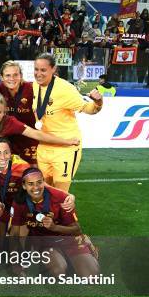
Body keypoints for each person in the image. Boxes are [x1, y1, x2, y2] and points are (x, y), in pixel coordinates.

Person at [32, 53, 103, 192]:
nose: (38, 74)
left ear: (53, 69)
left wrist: (98, 102)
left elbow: (87, 108)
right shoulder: (34, 86)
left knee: (60, 194)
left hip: (66, 147)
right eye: (36, 69)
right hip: (44, 146)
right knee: (44, 191)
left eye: (43, 70)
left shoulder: (65, 89)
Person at [10, 167, 99, 277]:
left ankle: (85, 246)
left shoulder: (60, 198)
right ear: (24, 186)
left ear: (44, 182)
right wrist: (14, 261)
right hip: (46, 242)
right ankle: (62, 259)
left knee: (90, 276)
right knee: (58, 271)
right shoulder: (19, 202)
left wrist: (54, 227)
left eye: (39, 182)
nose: (36, 187)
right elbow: (14, 233)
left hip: (69, 239)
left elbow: (77, 229)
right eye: (30, 184)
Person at [0, 93, 80, 160]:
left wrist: (66, 141)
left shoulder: (10, 122)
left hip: (0, 160)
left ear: (4, 113)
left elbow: (36, 134)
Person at [0, 61, 38, 164]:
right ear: (1, 77)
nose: (12, 78)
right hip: (7, 138)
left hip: (29, 138)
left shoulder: (31, 88)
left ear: (21, 76)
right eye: (7, 75)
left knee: (33, 171)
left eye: (15, 75)